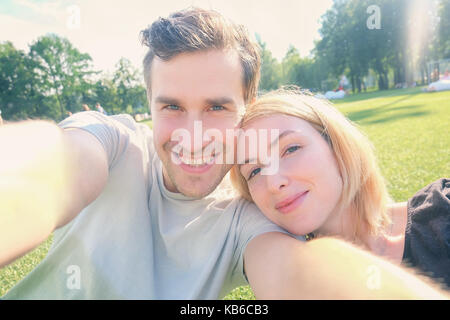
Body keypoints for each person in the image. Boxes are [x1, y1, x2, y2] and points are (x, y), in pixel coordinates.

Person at [0, 8, 447, 300]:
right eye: (172, 107)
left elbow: (297, 275)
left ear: (246, 106)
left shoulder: (247, 216)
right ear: (149, 104)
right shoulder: (112, 143)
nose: (194, 136)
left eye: (216, 107)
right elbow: (45, 171)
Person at [230, 88, 450, 288]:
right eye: (255, 171)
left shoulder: (442, 208)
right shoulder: (300, 284)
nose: (274, 183)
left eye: (291, 149)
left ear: (335, 144)